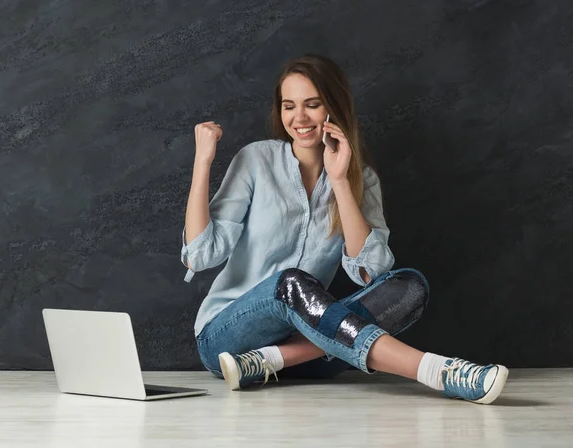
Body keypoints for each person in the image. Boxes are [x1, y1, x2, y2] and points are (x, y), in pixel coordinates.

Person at [181, 54, 509, 405]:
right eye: (288, 106)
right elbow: (201, 255)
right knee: (289, 283)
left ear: (333, 107)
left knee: (408, 285)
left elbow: (372, 272)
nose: (299, 118)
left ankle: (267, 362)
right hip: (226, 338)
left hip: (309, 349)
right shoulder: (255, 160)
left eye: (312, 104)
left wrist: (339, 181)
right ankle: (439, 371)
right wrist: (203, 161)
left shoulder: (360, 178)